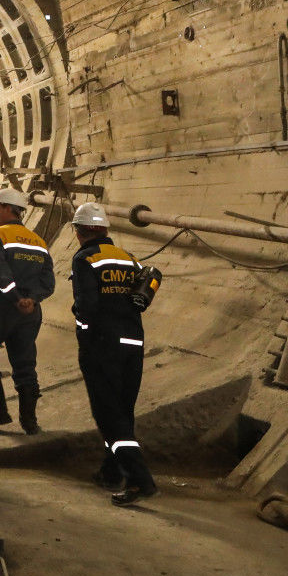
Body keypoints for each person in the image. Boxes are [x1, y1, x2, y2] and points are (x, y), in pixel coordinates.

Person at [70, 202, 159, 506]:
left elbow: (87, 308)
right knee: (122, 410)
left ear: (79, 231)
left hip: (102, 345)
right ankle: (111, 471)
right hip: (133, 343)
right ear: (106, 229)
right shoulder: (129, 259)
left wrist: (84, 336)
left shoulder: (85, 259)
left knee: (108, 415)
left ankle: (139, 480)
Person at [0, 188, 55, 435]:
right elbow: (48, 282)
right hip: (30, 312)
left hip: (2, 306)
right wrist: (31, 300)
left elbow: (0, 273)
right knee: (25, 363)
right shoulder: (39, 242)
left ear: (10, 209)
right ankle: (29, 422)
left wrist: (16, 298)